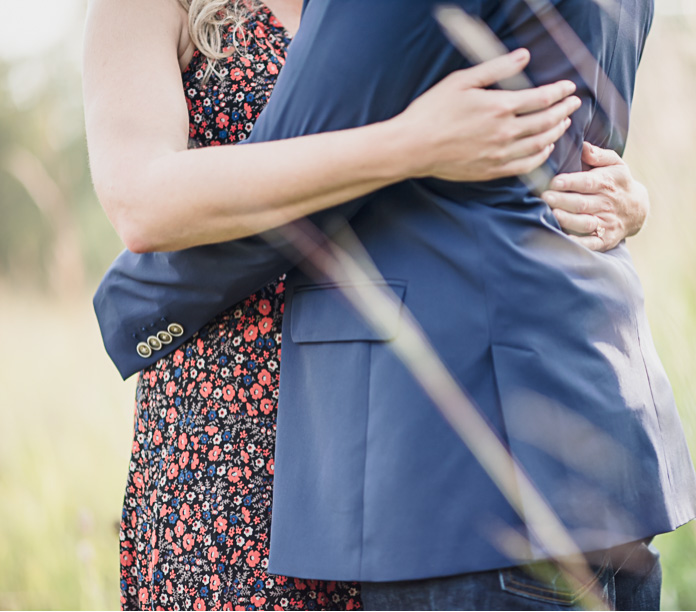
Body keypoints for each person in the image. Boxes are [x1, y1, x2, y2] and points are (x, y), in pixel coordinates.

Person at [83, 0, 654, 609]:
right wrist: (406, 146)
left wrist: (625, 197)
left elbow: (495, 148)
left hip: (398, 436)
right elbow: (140, 202)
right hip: (232, 437)